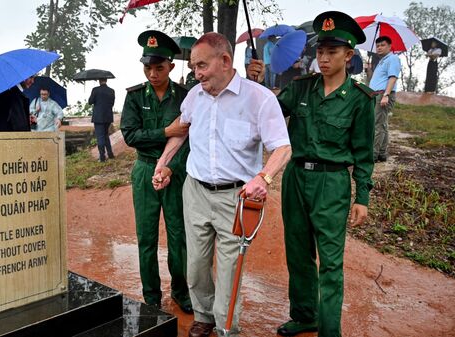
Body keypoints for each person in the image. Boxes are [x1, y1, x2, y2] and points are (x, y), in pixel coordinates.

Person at [154, 32, 291, 337]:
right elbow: (182, 131)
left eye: (201, 65)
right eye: (193, 66)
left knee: (229, 270)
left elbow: (283, 148)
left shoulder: (259, 99)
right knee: (196, 265)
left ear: (225, 61)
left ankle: (227, 327)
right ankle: (203, 316)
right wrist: (163, 162)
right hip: (196, 192)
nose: (196, 73)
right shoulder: (194, 96)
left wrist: (264, 177)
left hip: (237, 198)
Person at [267, 11, 375, 337]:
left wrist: (363, 198)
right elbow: (269, 111)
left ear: (349, 55)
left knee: (330, 263)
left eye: (332, 52)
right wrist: (256, 83)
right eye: (320, 52)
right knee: (298, 253)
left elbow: (364, 155)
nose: (324, 59)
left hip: (332, 183)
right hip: (296, 179)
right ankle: (304, 315)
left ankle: (330, 330)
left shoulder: (360, 100)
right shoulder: (301, 88)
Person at [120, 30, 193, 314]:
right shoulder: (135, 97)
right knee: (146, 237)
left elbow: (191, 138)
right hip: (145, 171)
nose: (152, 73)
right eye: (147, 67)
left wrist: (172, 168)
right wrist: (166, 131)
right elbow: (130, 135)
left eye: (159, 67)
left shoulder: (185, 97)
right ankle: (151, 294)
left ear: (171, 66)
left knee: (179, 235)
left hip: (176, 173)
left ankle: (181, 291)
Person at [369, 36, 401, 162]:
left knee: (378, 125)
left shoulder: (393, 58)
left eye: (382, 45)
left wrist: (386, 95)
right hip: (377, 94)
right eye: (377, 46)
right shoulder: (381, 61)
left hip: (383, 94)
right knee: (382, 124)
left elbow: (393, 77)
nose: (379, 47)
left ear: (389, 46)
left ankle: (373, 155)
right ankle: (382, 153)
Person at [88, 78, 116, 161]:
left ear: (99, 80)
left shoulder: (95, 90)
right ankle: (110, 154)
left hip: (98, 117)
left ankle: (102, 157)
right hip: (108, 116)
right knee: (105, 135)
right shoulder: (111, 91)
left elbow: (90, 101)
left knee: (100, 136)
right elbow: (112, 103)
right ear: (106, 80)